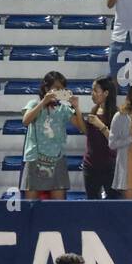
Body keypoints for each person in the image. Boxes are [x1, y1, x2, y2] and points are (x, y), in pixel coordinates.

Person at [22, 71, 84, 200]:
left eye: (62, 89)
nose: (59, 91)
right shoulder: (34, 104)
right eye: (56, 88)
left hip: (57, 159)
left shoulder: (64, 109)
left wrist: (76, 107)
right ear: (46, 88)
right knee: (30, 206)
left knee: (58, 208)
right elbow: (26, 121)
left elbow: (83, 128)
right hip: (35, 158)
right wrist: (43, 102)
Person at [82, 76, 119, 200]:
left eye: (95, 90)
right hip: (90, 165)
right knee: (92, 204)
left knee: (114, 205)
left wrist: (101, 126)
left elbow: (117, 142)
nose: (92, 94)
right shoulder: (93, 110)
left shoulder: (117, 114)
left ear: (106, 93)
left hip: (110, 166)